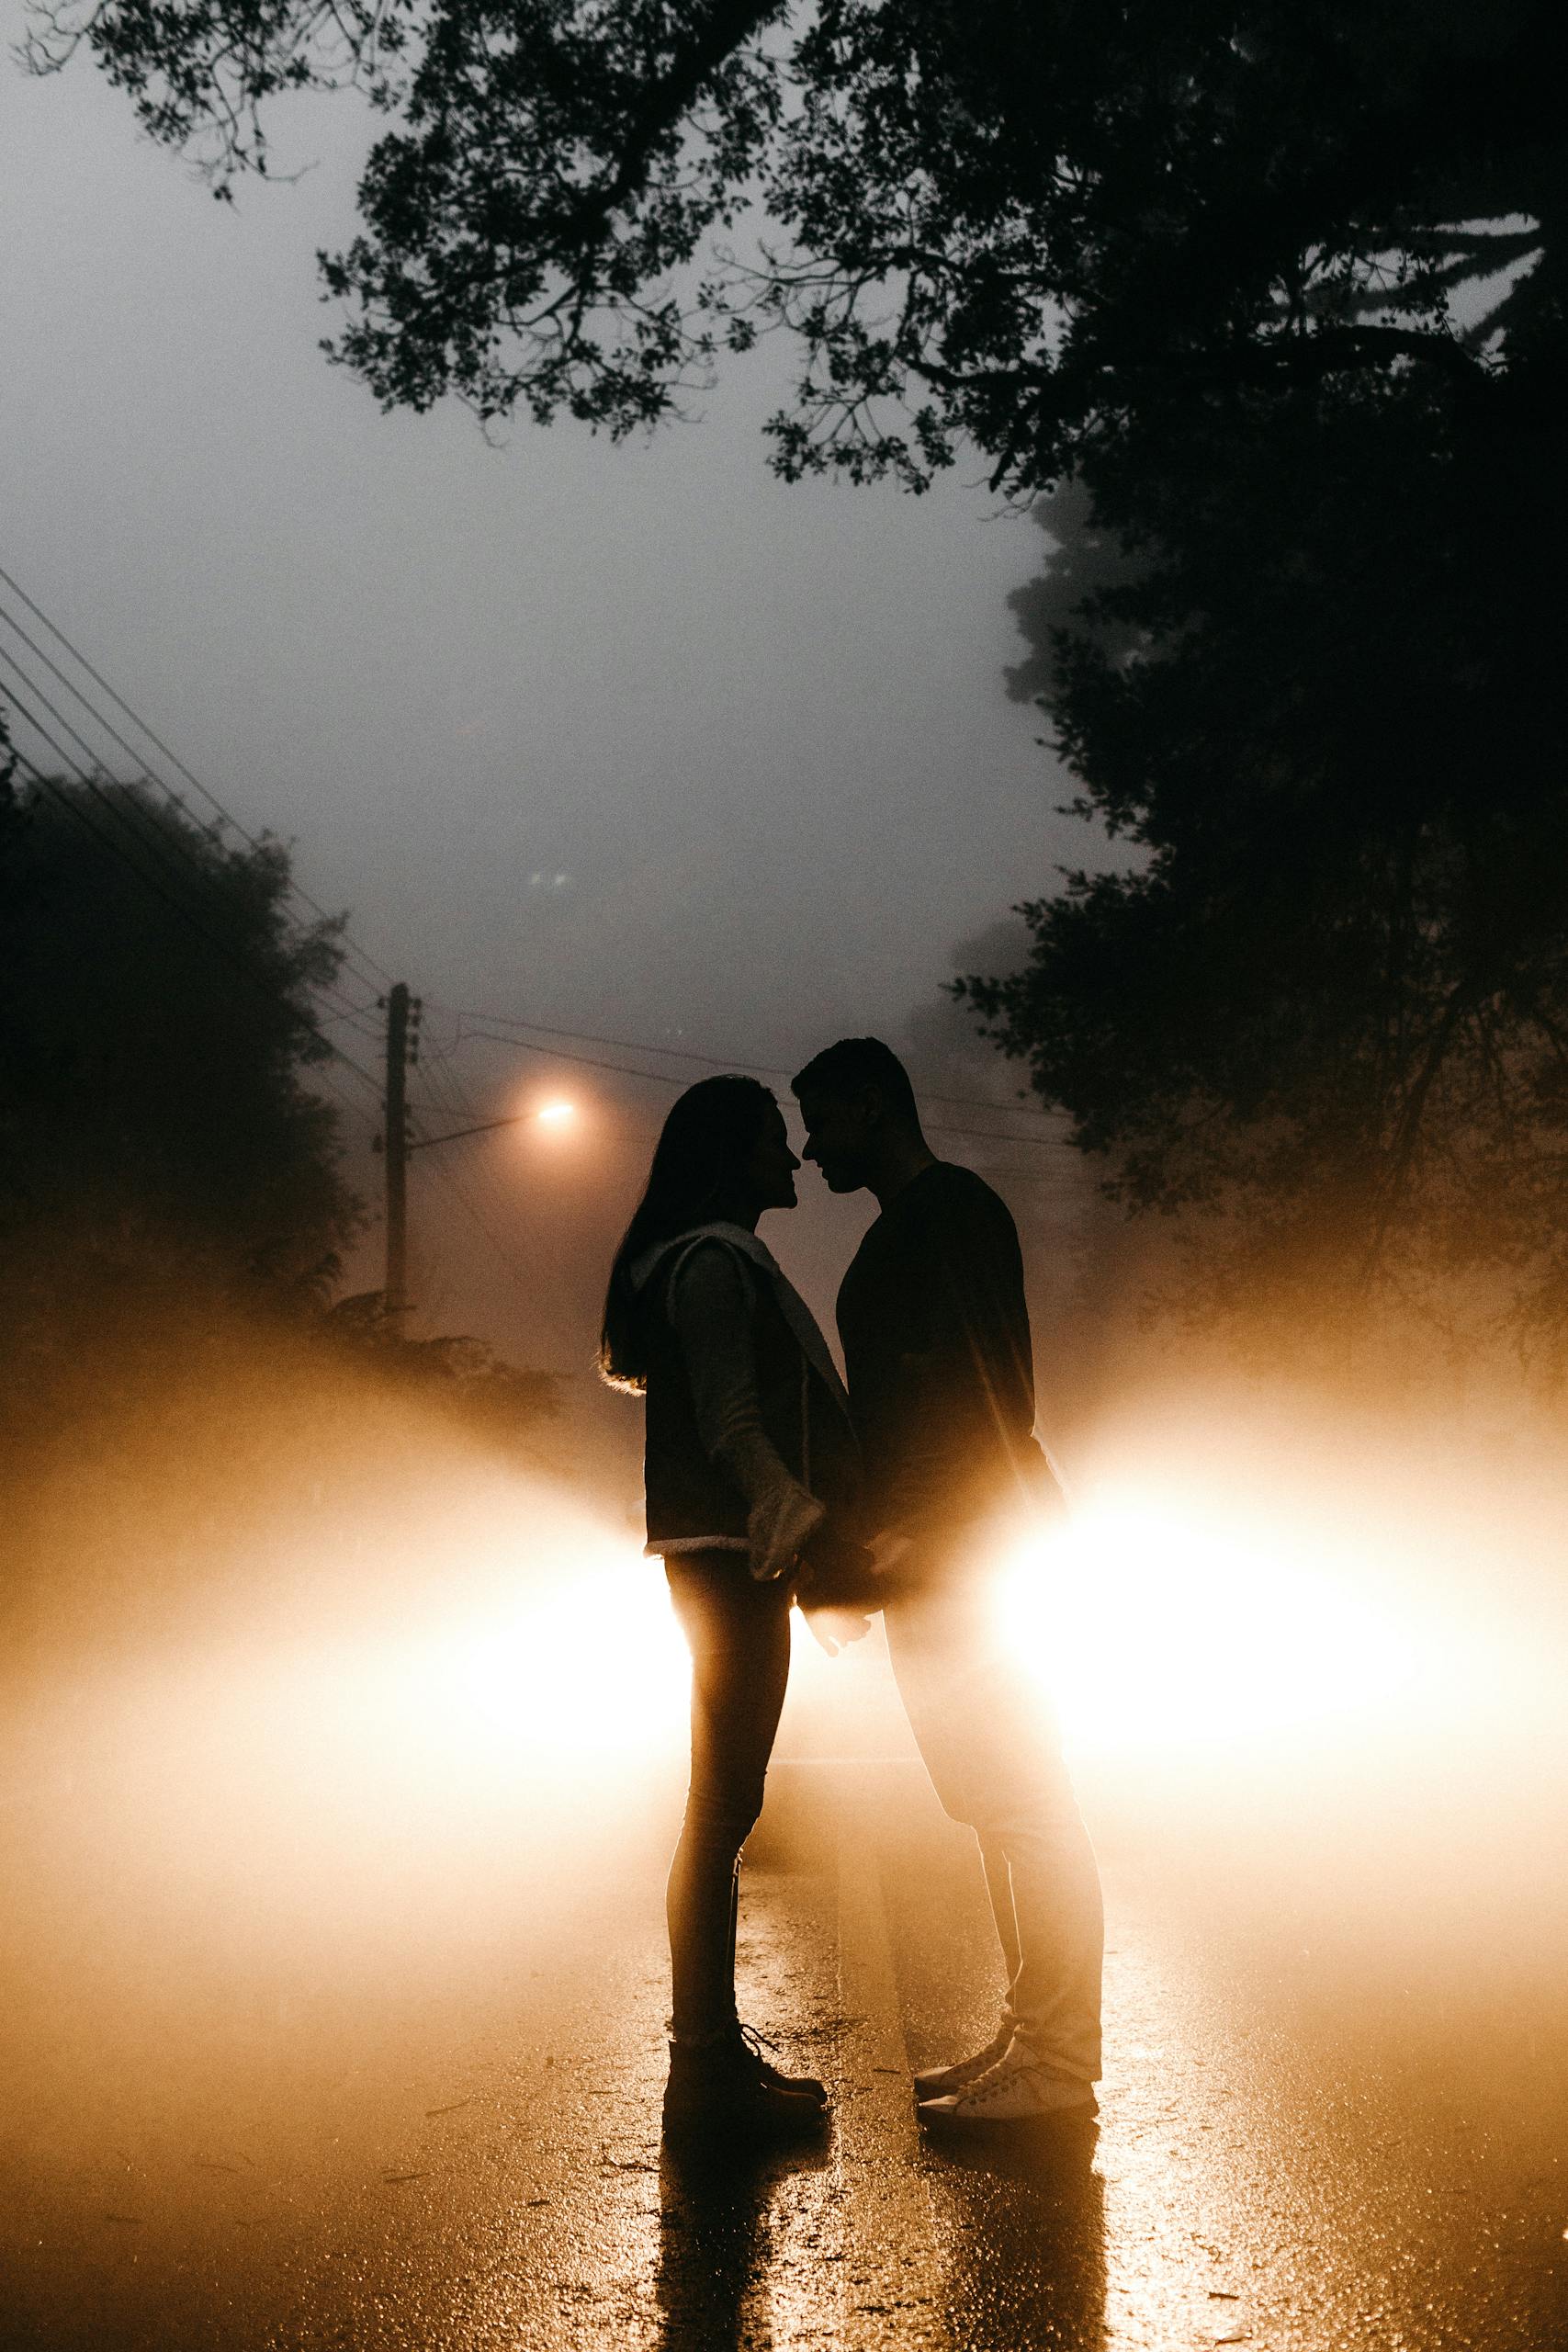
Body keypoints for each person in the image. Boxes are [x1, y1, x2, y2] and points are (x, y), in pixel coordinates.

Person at [792, 1035, 1104, 2126]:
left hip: (972, 1555)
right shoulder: (903, 1231)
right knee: (994, 1807)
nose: (809, 1146)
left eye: (822, 1119)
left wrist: (925, 1535)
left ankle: (1062, 2067)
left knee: (1028, 1805)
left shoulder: (952, 1213)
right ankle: (1035, 2037)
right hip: (941, 1558)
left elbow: (988, 1396)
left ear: (874, 1105)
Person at [600, 1073, 870, 2138]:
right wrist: (784, 1510)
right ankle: (702, 2071)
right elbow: (730, 1416)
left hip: (721, 1557)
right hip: (725, 1557)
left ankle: (706, 2060)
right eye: (771, 1139)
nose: (792, 1158)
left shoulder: (709, 1256)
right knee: (720, 1810)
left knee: (724, 1806)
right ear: (729, 1155)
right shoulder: (712, 1260)